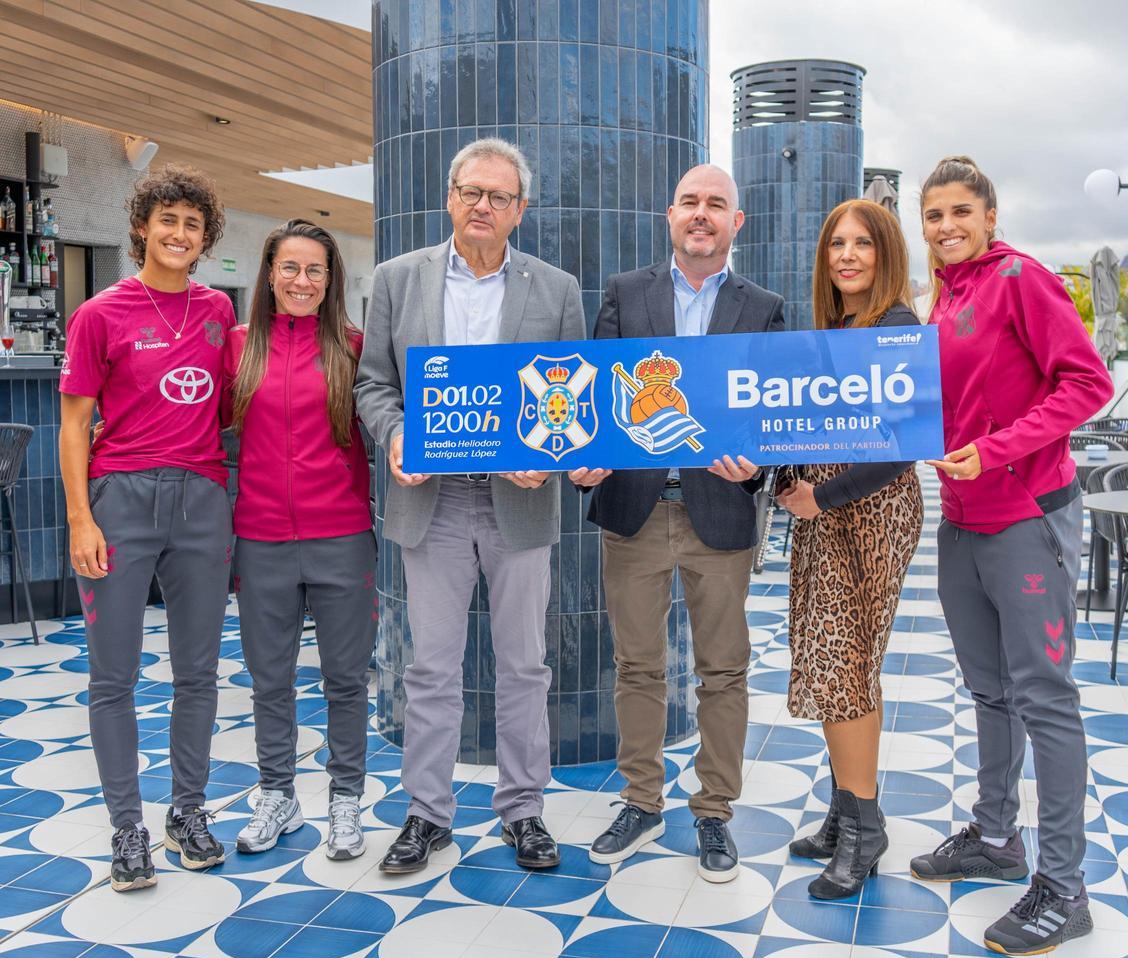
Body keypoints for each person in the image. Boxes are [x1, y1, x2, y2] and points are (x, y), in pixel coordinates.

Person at [354, 138, 585, 875]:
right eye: (471, 192)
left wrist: (546, 452)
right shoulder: (396, 280)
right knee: (431, 668)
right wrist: (395, 438)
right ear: (449, 197)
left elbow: (573, 395)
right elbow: (373, 385)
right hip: (434, 502)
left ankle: (524, 811)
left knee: (524, 665)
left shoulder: (557, 289)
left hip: (519, 504)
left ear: (521, 209)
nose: (483, 206)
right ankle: (427, 814)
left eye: (499, 196)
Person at [911, 156, 1112, 956]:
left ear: (990, 216)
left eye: (962, 212)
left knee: (1044, 699)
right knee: (989, 692)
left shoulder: (1023, 279)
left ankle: (1064, 888)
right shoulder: (945, 297)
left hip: (1027, 514)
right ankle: (997, 837)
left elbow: (1085, 384)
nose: (948, 227)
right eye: (934, 216)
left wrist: (997, 449)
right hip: (962, 522)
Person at [576, 164, 784, 884]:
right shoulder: (626, 294)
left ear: (737, 223)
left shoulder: (764, 307)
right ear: (670, 216)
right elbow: (595, 395)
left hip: (720, 516)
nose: (702, 215)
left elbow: (774, 418)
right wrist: (583, 457)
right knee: (637, 667)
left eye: (716, 205)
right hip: (634, 510)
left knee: (722, 671)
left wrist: (756, 465)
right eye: (691, 203)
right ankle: (641, 800)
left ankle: (715, 812)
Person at [59, 165, 233, 891]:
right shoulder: (100, 312)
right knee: (114, 677)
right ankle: (127, 829)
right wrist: (79, 518)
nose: (178, 233)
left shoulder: (220, 311)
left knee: (198, 672)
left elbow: (231, 408)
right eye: (167, 219)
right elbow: (73, 425)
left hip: (202, 500)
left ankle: (186, 811)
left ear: (204, 239)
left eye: (192, 224)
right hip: (119, 501)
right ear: (141, 227)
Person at [776, 199, 923, 899]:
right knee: (830, 659)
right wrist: (786, 475)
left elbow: (904, 445)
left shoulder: (897, 329)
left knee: (847, 663)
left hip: (868, 514)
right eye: (837, 243)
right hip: (823, 512)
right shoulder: (836, 328)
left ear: (886, 253)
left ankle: (864, 831)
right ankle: (845, 811)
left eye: (863, 243)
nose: (848, 255)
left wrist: (822, 497)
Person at [222, 219, 375, 861]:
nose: (302, 281)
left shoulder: (354, 346)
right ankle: (277, 796)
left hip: (341, 534)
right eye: (290, 268)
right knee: (270, 681)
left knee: (345, 680)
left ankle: (345, 802)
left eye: (315, 270)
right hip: (260, 539)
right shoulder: (235, 346)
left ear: (331, 280)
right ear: (269, 273)